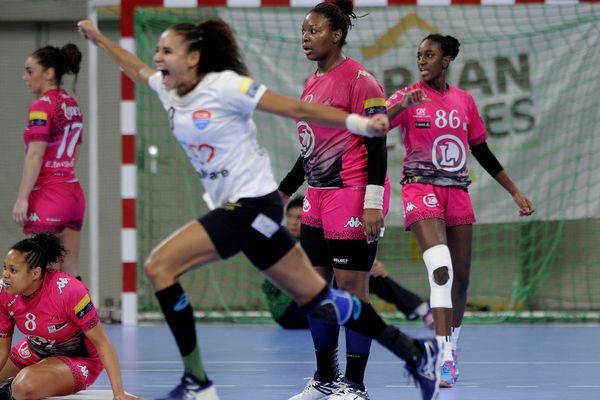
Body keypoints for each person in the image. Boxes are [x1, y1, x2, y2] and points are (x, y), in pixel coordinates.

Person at [77, 16, 441, 400]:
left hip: (250, 205)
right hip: (251, 210)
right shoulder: (169, 89)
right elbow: (136, 68)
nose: (158, 57)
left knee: (158, 266)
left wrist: (362, 124)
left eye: (167, 50)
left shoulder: (226, 86)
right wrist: (100, 38)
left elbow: (296, 111)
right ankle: (415, 351)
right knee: (321, 301)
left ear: (194, 57)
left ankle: (196, 381)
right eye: (158, 51)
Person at [386, 34, 534, 388]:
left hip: (457, 193)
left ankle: (452, 345)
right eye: (419, 55)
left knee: (461, 281)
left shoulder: (464, 101)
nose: (422, 60)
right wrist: (401, 104)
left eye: (430, 55)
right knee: (441, 269)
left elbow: (482, 150)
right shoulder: (407, 97)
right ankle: (443, 356)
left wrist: (514, 191)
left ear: (447, 60)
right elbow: (374, 124)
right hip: (420, 188)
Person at [277, 2, 394, 398]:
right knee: (314, 288)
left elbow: (378, 144)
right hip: (317, 196)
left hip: (353, 193)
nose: (305, 38)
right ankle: (325, 380)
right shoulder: (311, 82)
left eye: (313, 31)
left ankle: (354, 386)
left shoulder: (361, 80)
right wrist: (283, 190)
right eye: (304, 31)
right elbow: (311, 149)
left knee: (351, 290)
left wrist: (373, 202)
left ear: (337, 35)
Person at [0, 234, 140, 400]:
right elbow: (2, 349)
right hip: (34, 350)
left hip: (78, 359)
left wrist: (119, 394)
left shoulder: (70, 292)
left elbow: (102, 342)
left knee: (24, 386)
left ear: (35, 273)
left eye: (13, 270)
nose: (5, 275)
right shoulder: (5, 292)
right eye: (4, 268)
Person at [262, 196, 434, 330]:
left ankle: (418, 309)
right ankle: (420, 309)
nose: (293, 221)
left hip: (308, 305)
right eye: (290, 216)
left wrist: (365, 264)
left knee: (358, 274)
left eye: (300, 217)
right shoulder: (283, 242)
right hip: (291, 310)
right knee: (350, 274)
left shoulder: (315, 243)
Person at [13, 44, 86, 278]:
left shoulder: (42, 106)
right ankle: (86, 316)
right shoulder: (72, 105)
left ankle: (39, 317)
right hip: (73, 193)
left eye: (30, 70)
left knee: (37, 273)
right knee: (70, 271)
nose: (25, 77)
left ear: (48, 73)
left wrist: (22, 198)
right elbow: (75, 150)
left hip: (49, 195)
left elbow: (35, 154)